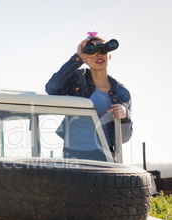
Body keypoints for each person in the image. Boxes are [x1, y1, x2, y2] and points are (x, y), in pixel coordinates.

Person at [45, 32, 133, 161]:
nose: (99, 54)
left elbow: (124, 138)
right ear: (85, 59)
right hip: (73, 153)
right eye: (93, 51)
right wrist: (77, 58)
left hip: (104, 154)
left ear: (110, 56)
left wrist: (125, 115)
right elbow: (52, 88)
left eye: (104, 50)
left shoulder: (122, 93)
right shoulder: (76, 79)